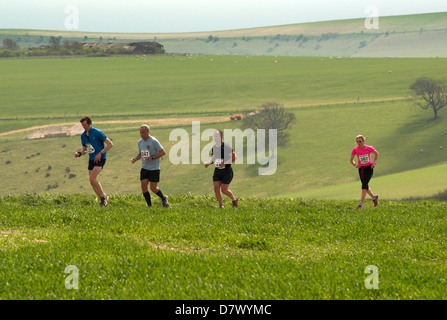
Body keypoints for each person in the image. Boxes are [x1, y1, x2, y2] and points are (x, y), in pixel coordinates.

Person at [74, 116, 113, 207]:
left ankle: (103, 197)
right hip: (91, 159)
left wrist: (100, 153)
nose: (84, 127)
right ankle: (102, 200)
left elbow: (110, 144)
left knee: (92, 178)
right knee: (92, 182)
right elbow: (84, 150)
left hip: (100, 158)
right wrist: (79, 154)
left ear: (90, 124)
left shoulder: (97, 132)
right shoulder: (83, 136)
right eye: (82, 125)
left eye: (85, 125)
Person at [131, 124, 169, 208]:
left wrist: (152, 157)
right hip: (144, 168)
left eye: (143, 132)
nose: (141, 134)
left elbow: (163, 152)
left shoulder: (153, 141)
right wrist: (135, 159)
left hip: (154, 168)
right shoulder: (140, 142)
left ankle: (163, 198)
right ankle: (149, 206)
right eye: (140, 133)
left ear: (148, 132)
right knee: (143, 186)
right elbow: (141, 153)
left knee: (153, 188)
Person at [204, 130, 238, 208]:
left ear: (221, 137)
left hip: (227, 171)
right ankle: (221, 206)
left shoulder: (226, 146)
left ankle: (234, 199)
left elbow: (234, 157)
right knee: (216, 188)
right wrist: (208, 163)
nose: (215, 138)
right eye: (214, 136)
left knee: (224, 190)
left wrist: (225, 163)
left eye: (217, 136)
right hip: (217, 170)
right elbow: (213, 158)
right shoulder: (215, 147)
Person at [350, 135, 379, 210]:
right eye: (357, 142)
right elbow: (351, 160)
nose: (358, 143)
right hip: (361, 169)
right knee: (365, 186)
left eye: (360, 141)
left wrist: (374, 162)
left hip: (369, 168)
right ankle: (374, 197)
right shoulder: (355, 150)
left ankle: (360, 205)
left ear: (364, 141)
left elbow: (376, 154)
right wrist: (355, 165)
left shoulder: (369, 148)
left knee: (363, 186)